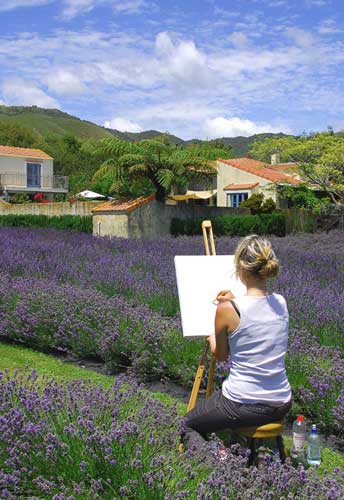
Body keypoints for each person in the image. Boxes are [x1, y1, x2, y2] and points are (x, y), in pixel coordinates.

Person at [182, 234, 292, 453]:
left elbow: (221, 355)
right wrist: (234, 299)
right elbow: (256, 313)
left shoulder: (227, 310)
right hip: (281, 401)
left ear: (240, 268)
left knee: (187, 425)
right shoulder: (281, 302)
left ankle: (220, 464)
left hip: (244, 402)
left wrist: (213, 336)